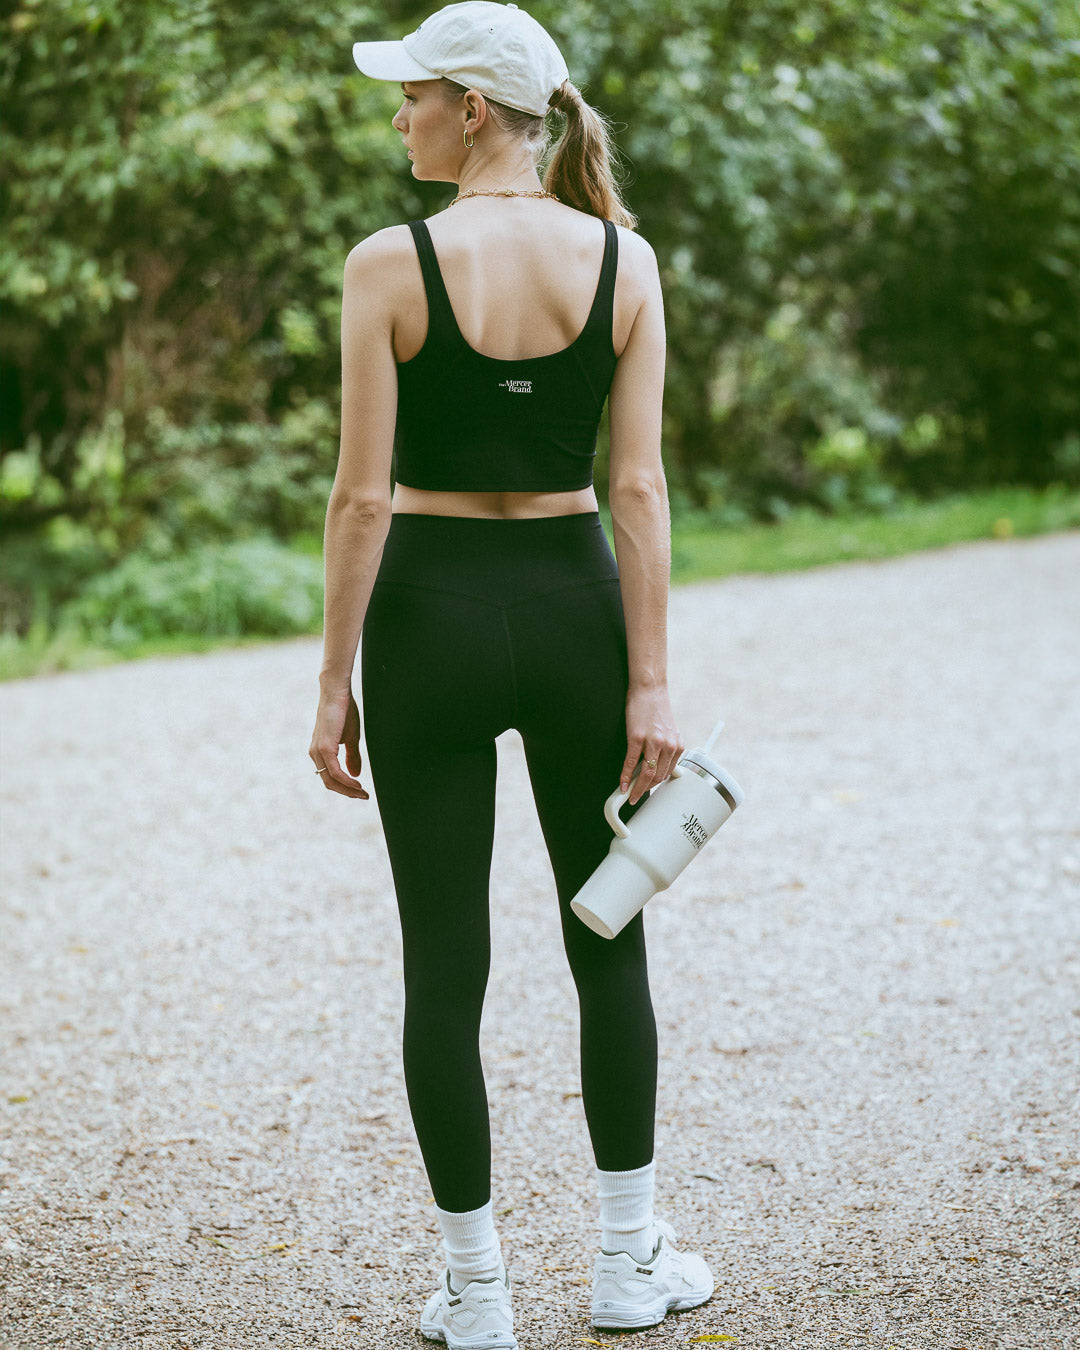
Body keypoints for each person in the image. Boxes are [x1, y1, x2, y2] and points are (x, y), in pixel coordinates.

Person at [308, 4, 714, 1345]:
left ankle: (477, 1291)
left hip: (424, 616)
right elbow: (639, 485)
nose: (400, 116)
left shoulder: (387, 264)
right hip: (572, 611)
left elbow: (362, 500)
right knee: (610, 930)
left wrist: (331, 683)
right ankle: (620, 1263)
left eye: (414, 94)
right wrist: (650, 680)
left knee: (444, 960)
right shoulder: (626, 261)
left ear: (474, 108)